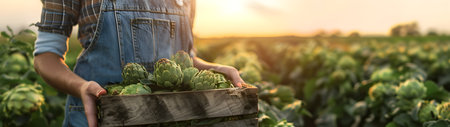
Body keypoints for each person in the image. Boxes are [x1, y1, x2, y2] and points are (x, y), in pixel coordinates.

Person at [33, 0, 245, 126]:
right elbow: (46, 55)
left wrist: (213, 69)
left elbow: (185, 57)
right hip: (98, 120)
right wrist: (81, 87)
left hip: (173, 118)